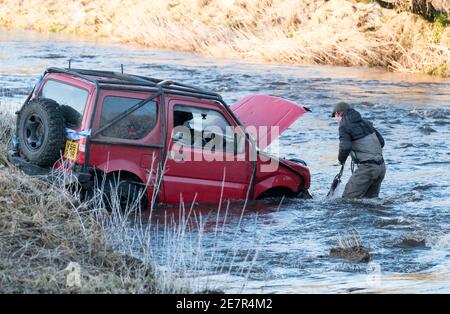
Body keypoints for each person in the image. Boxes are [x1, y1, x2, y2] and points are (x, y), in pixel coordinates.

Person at [331, 102, 386, 198]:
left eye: (335, 117)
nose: (336, 120)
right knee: (371, 202)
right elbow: (381, 142)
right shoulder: (366, 122)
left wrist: (341, 160)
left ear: (338, 113)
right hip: (381, 167)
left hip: (367, 168)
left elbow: (345, 147)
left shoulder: (344, 126)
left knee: (347, 200)